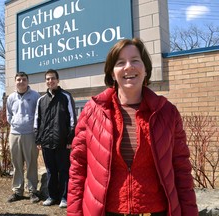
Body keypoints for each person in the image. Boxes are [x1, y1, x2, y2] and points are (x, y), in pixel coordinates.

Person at [67, 38, 198, 216]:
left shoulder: (167, 113)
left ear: (145, 69)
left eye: (135, 60)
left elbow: (181, 170)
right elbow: (78, 169)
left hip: (156, 211)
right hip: (107, 211)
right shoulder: (92, 111)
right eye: (120, 62)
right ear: (112, 73)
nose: (129, 67)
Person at [34, 69, 77, 208]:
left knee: (64, 170)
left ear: (57, 80)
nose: (50, 81)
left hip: (62, 142)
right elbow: (37, 121)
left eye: (52, 78)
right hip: (46, 142)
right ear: (45, 81)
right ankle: (52, 196)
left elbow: (72, 120)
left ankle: (65, 198)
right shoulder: (41, 100)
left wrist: (70, 140)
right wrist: (38, 140)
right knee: (51, 171)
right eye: (47, 79)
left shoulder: (66, 97)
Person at [6, 72, 41, 203]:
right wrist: (15, 123)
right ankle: (17, 191)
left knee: (31, 163)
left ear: (27, 81)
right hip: (14, 134)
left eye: (24, 80)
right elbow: (9, 115)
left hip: (30, 134)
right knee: (17, 164)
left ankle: (32, 191)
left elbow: (39, 114)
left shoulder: (35, 96)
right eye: (18, 80)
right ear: (15, 82)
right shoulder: (11, 97)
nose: (21, 82)